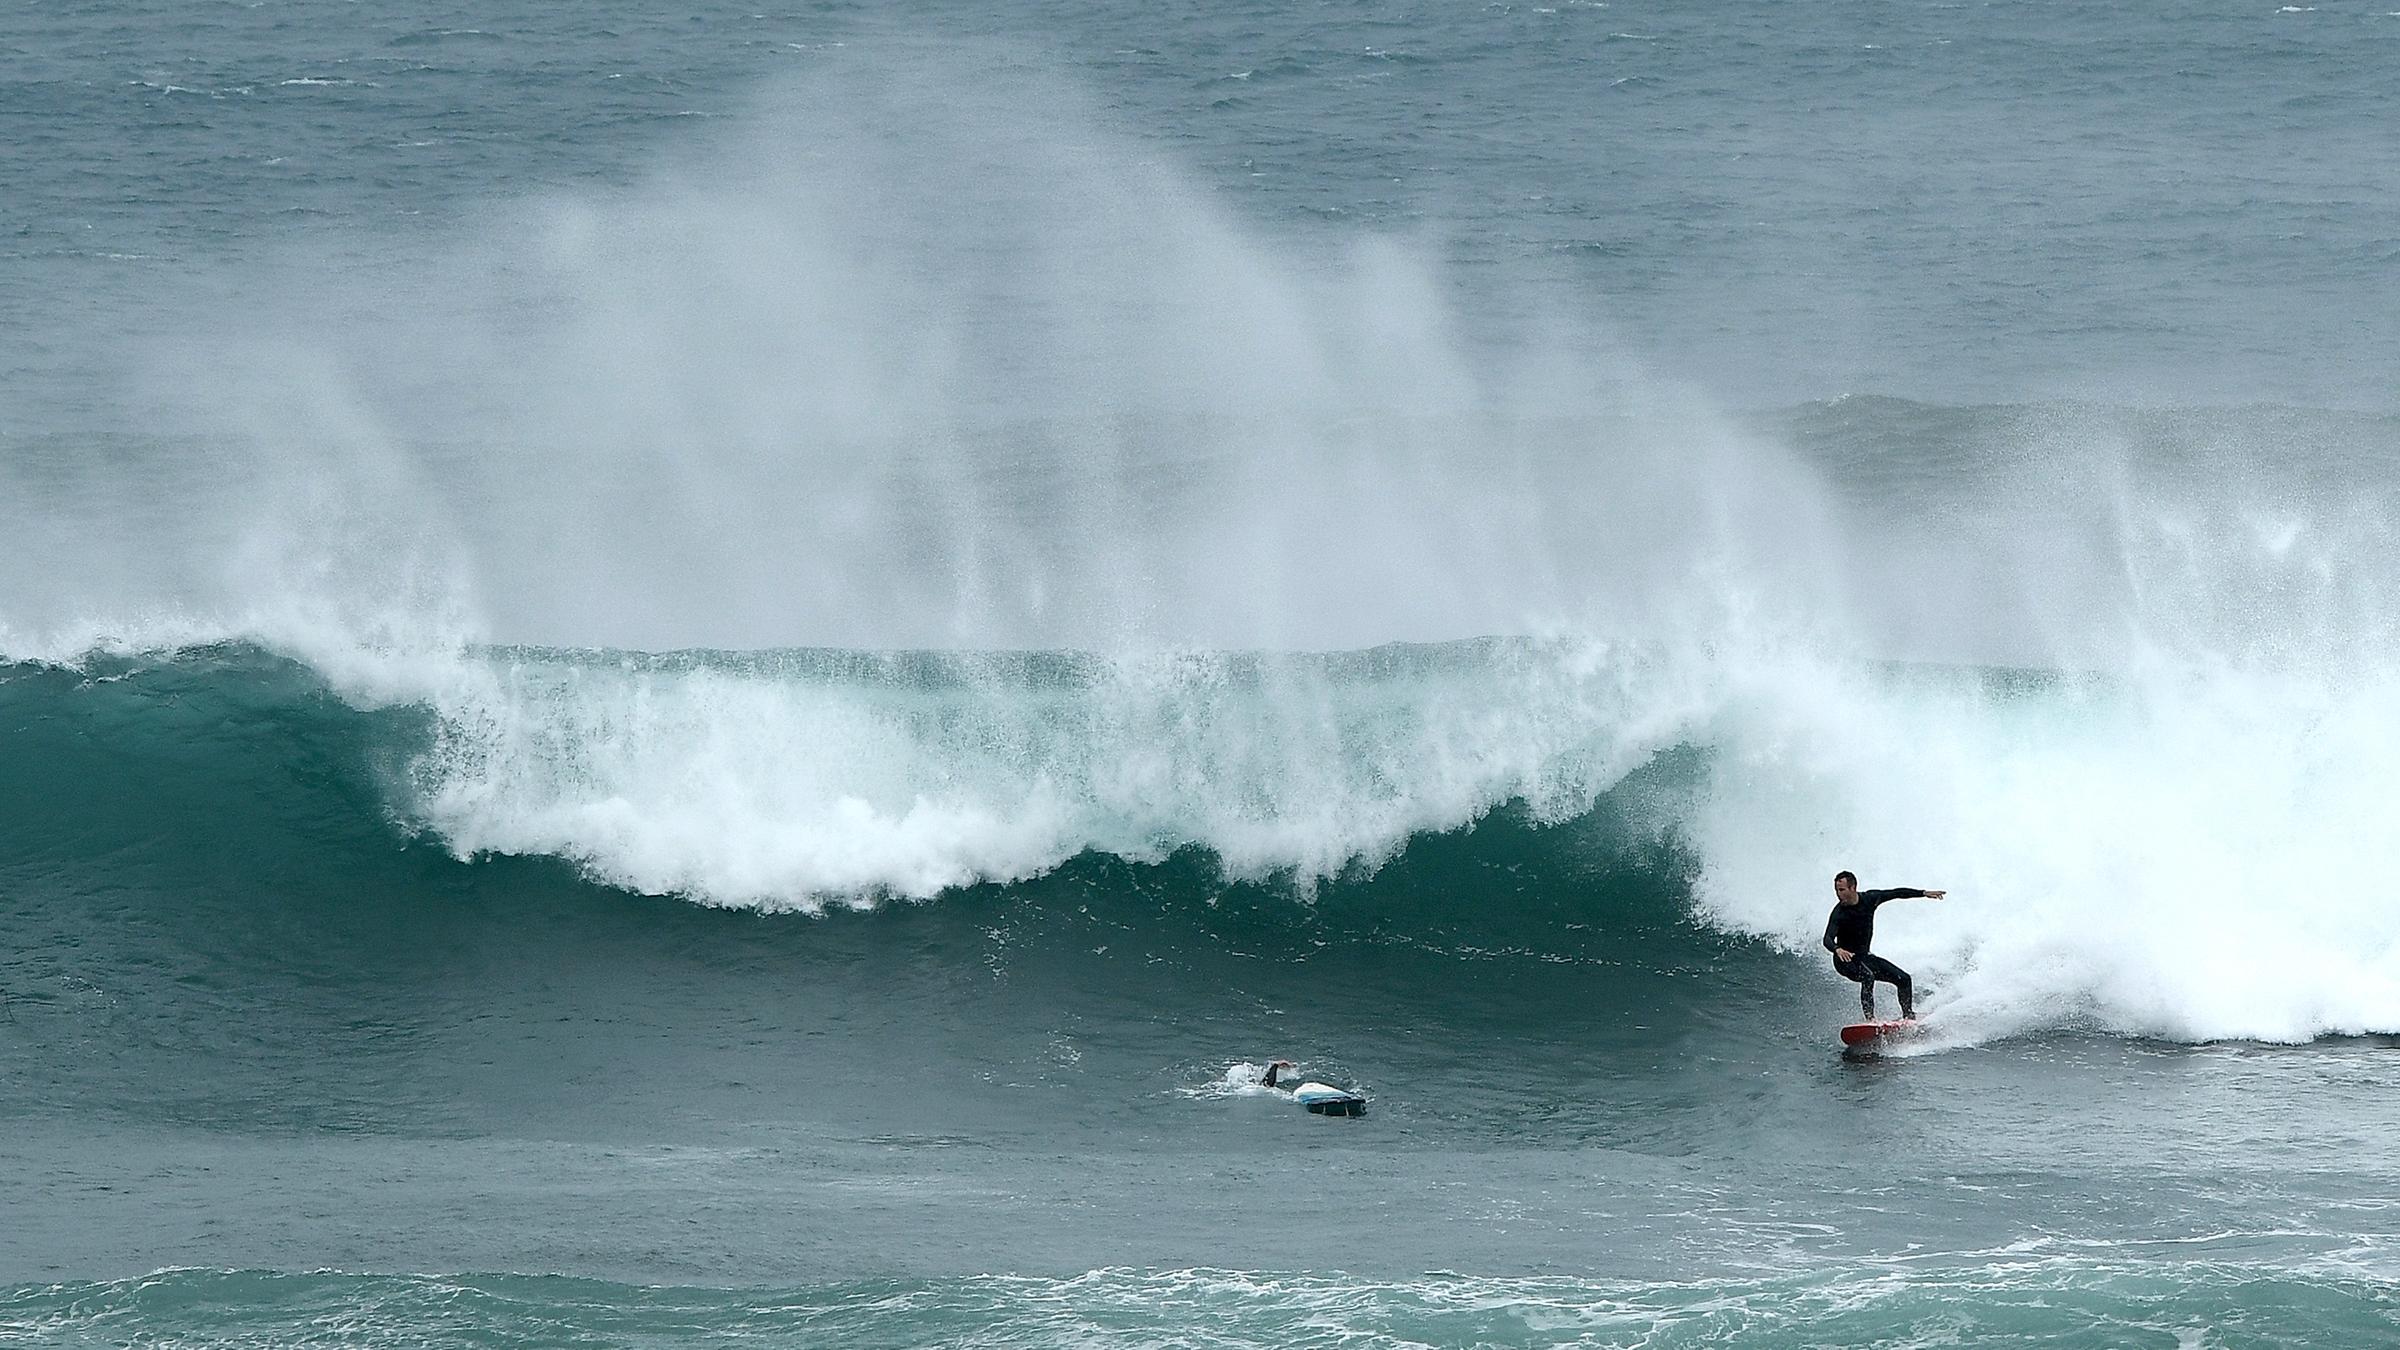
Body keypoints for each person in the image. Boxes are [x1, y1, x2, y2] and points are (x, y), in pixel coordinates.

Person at [1823, 869, 1944, 1021]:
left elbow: (1895, 893)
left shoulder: (1870, 898)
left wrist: (1923, 893)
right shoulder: (1839, 912)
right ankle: (1870, 1020)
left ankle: (1908, 1016)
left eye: (1841, 890)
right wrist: (1837, 949)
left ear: (1853, 888)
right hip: (1845, 961)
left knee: (1904, 979)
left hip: (1864, 957)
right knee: (1868, 976)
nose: (1838, 894)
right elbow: (1827, 938)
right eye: (1836, 890)